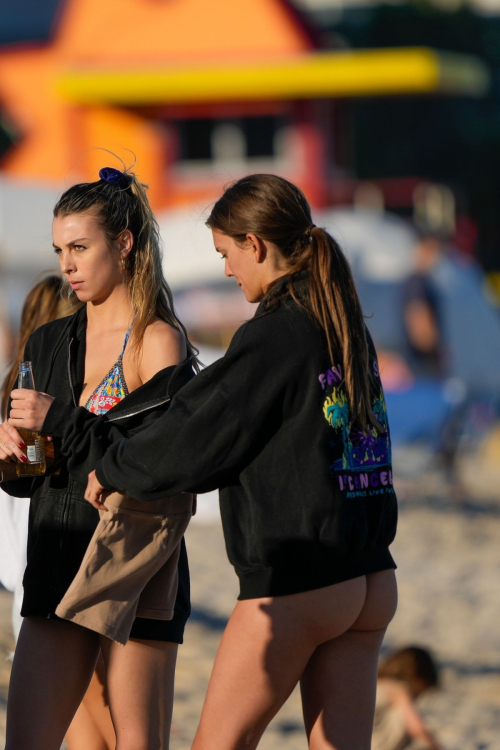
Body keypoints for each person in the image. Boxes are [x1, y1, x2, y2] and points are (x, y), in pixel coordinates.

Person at [86, 173, 399, 750]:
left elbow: (203, 429)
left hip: (300, 577)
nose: (227, 270)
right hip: (371, 576)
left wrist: (114, 467)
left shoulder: (278, 333)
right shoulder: (341, 321)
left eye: (227, 254)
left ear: (255, 245)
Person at [0, 164, 197, 750]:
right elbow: (35, 474)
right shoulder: (47, 341)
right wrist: (13, 455)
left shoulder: (156, 339)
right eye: (61, 249)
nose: (67, 264)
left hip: (133, 566)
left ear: (124, 243)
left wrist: (57, 420)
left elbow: (158, 463)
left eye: (81, 247)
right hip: (58, 557)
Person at [0, 275, 114, 750]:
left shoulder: (13, 392)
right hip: (62, 577)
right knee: (96, 732)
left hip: (28, 584)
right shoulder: (41, 400)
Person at [373, 646, 441, 750]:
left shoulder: (376, 682)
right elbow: (417, 728)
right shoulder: (399, 690)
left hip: (356, 739)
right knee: (401, 713)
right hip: (375, 744)